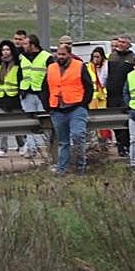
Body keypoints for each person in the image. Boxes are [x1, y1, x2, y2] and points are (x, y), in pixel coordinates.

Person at [40, 43, 93, 175]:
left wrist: (83, 104)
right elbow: (45, 88)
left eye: (63, 54)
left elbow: (89, 87)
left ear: (69, 54)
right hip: (57, 110)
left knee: (77, 136)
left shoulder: (79, 66)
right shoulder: (51, 68)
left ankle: (80, 168)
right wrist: (48, 106)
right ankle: (62, 169)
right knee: (63, 142)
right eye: (59, 54)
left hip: (76, 108)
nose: (61, 57)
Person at [0, 40, 26, 157]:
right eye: (3, 50)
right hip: (2, 97)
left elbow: (21, 79)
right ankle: (3, 149)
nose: (5, 52)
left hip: (14, 97)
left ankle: (22, 144)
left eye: (7, 50)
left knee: (16, 125)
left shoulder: (17, 64)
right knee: (3, 125)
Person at [19, 34, 52, 158]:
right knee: (29, 123)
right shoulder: (22, 57)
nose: (23, 46)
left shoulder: (47, 57)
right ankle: (31, 149)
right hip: (27, 93)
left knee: (45, 123)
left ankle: (50, 149)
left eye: (26, 44)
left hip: (42, 94)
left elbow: (52, 75)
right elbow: (20, 74)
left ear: (33, 45)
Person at [105, 35, 135, 158]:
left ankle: (125, 145)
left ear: (128, 45)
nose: (120, 44)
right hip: (112, 94)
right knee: (114, 121)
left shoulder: (133, 58)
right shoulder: (112, 57)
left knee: (124, 122)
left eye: (123, 42)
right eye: (119, 42)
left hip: (125, 94)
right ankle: (119, 143)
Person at [87, 46, 111, 147]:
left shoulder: (106, 65)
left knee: (104, 122)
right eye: (94, 57)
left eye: (98, 57)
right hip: (93, 98)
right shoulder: (90, 67)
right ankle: (95, 143)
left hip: (103, 97)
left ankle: (105, 142)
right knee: (93, 122)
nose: (95, 59)